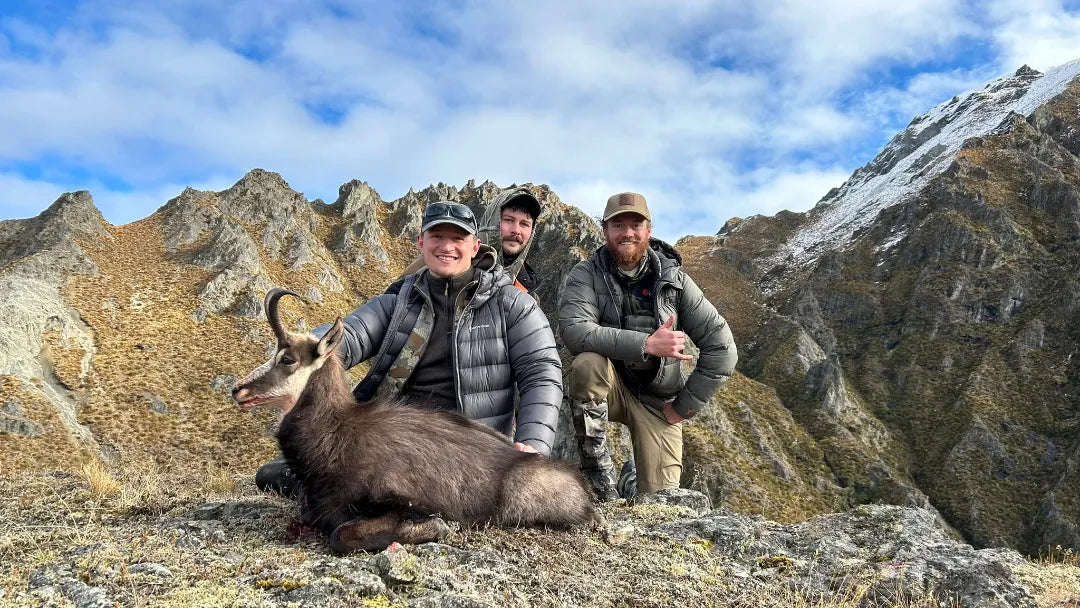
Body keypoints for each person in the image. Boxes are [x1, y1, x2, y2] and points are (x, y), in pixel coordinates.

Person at [257, 201, 563, 496]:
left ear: (475, 246)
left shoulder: (513, 304)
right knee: (277, 473)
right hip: (391, 439)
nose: (446, 247)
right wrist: (304, 352)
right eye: (437, 237)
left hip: (470, 446)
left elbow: (542, 373)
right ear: (421, 242)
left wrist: (534, 442)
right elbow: (349, 336)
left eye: (457, 238)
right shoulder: (397, 301)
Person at [557, 192, 737, 501]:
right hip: (610, 385)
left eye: (635, 225)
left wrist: (684, 408)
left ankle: (630, 480)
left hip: (657, 402)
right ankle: (599, 476)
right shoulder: (585, 275)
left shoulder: (675, 281)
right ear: (605, 231)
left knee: (661, 501)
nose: (627, 233)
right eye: (618, 225)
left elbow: (723, 347)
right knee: (587, 364)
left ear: (648, 231)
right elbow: (576, 332)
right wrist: (647, 344)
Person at [400, 187, 543, 295]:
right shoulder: (448, 260)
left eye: (524, 224)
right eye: (508, 220)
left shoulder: (528, 289)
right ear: (492, 221)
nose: (516, 230)